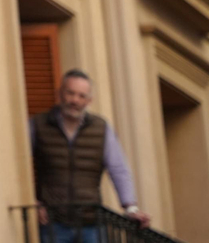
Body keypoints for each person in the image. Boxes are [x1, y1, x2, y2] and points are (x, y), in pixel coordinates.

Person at [30, 69, 148, 241]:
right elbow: (17, 165)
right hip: (52, 223)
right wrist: (33, 202)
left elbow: (118, 169)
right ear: (59, 94)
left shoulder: (101, 128)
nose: (75, 100)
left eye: (81, 96)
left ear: (89, 100)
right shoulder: (37, 125)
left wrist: (130, 208)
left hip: (91, 224)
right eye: (70, 93)